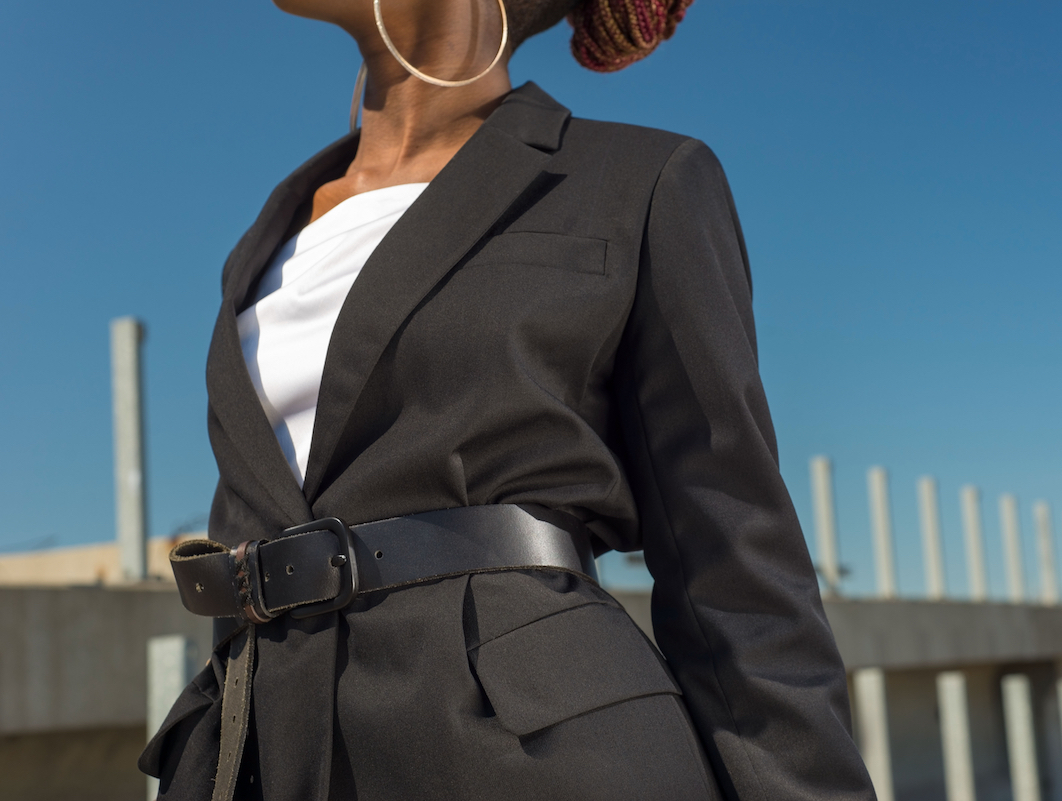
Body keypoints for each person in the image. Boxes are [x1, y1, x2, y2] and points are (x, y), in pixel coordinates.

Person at [139, 1, 876, 799]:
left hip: (533, 756)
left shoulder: (639, 181)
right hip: (263, 749)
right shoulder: (271, 233)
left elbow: (732, 566)